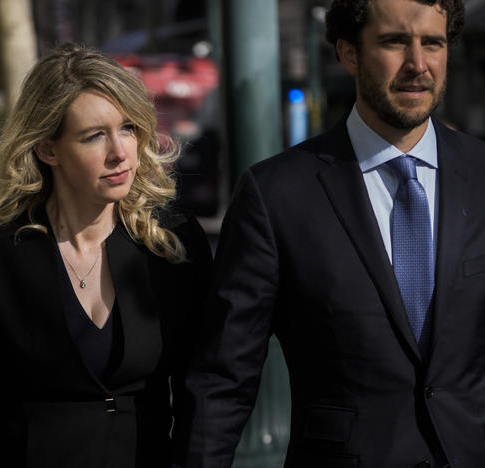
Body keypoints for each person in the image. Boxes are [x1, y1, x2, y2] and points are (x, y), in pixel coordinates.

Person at [183, 1, 483, 467]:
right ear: (348, 53)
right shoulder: (277, 194)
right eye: (394, 42)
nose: (418, 64)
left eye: (433, 43)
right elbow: (223, 378)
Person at [0, 43, 212, 468]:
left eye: (127, 128)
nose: (120, 152)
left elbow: (205, 390)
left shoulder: (173, 242)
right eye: (94, 136)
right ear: (48, 149)